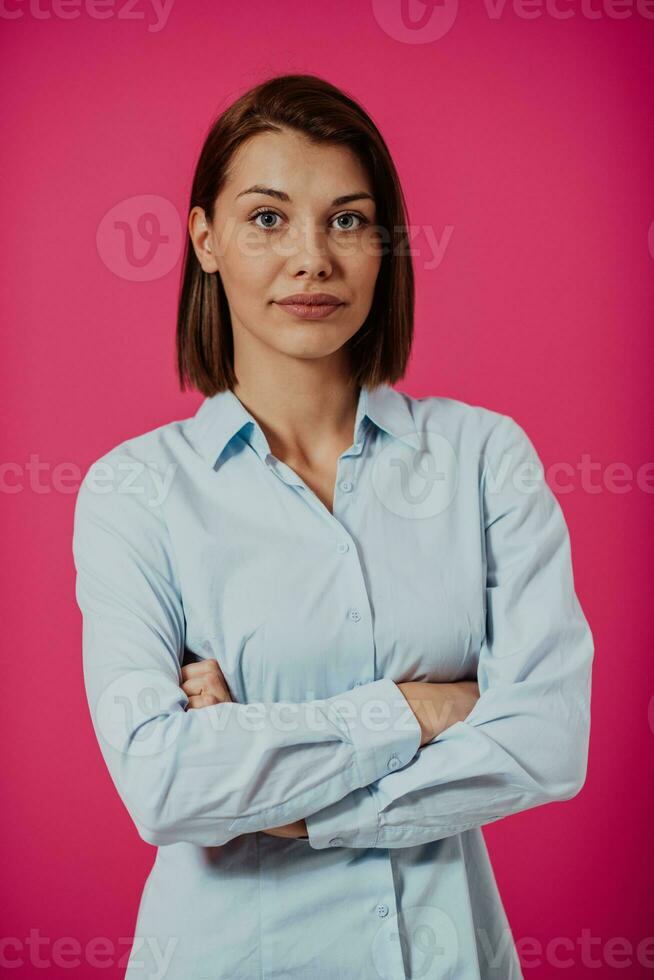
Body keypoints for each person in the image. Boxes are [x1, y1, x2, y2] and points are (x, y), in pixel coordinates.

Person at [72, 73, 594, 980]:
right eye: (267, 218)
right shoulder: (135, 491)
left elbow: (548, 742)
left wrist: (291, 806)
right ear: (204, 240)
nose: (311, 258)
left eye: (347, 220)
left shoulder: (483, 457)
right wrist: (428, 708)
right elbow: (165, 785)